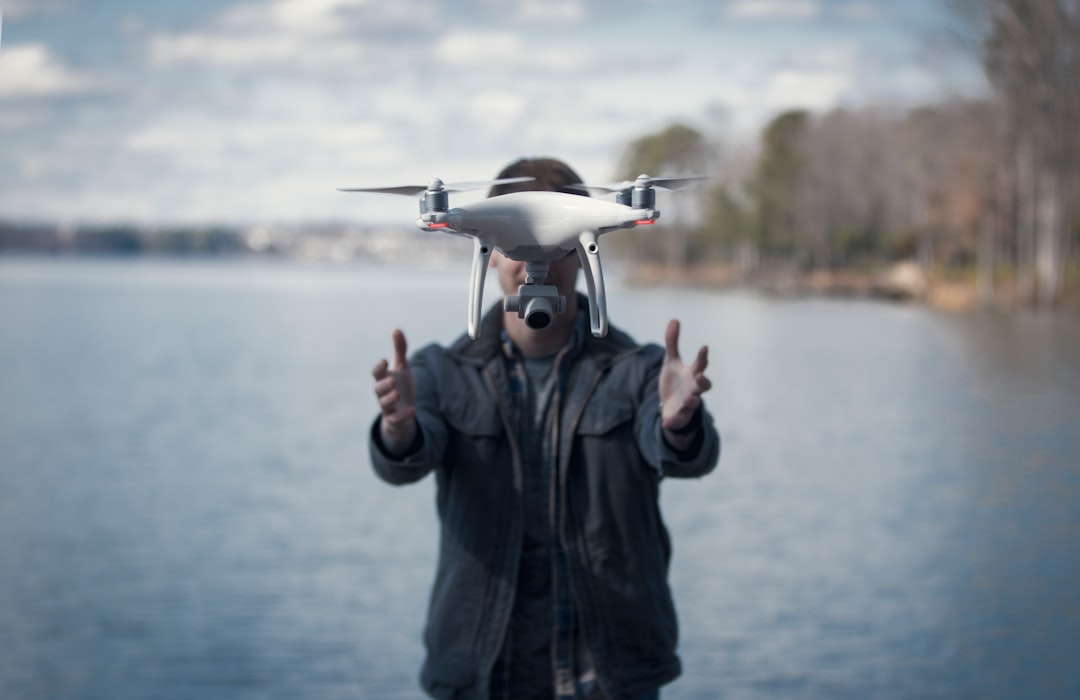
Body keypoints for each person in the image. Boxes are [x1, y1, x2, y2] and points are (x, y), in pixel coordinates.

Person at [369, 157, 720, 700]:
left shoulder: (639, 370)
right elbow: (406, 460)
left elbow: (685, 453)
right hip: (482, 672)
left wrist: (680, 424)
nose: (536, 263)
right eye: (516, 244)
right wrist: (397, 427)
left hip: (609, 674)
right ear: (488, 254)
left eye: (557, 246)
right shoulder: (440, 370)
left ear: (586, 251)